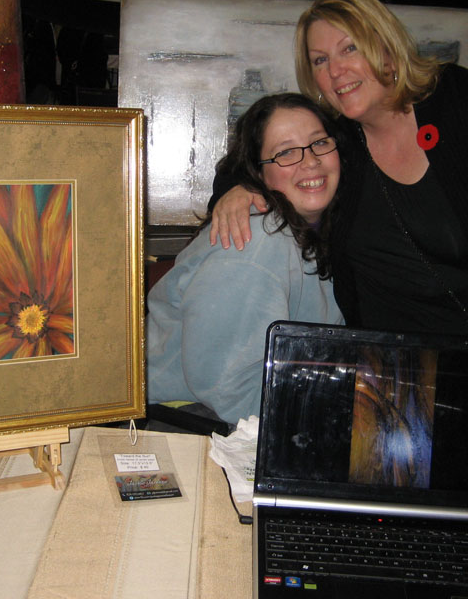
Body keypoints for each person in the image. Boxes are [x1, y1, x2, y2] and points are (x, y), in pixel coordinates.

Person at [209, 0, 468, 458]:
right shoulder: (337, 137)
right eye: (320, 60)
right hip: (385, 377)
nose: (336, 70)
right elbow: (254, 156)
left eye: (349, 48)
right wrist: (236, 190)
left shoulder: (463, 101)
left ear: (386, 47)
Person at [147, 93, 344, 425]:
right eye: (286, 152)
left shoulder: (331, 232)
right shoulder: (256, 242)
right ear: (258, 173)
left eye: (319, 143)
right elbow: (228, 388)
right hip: (187, 419)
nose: (310, 161)